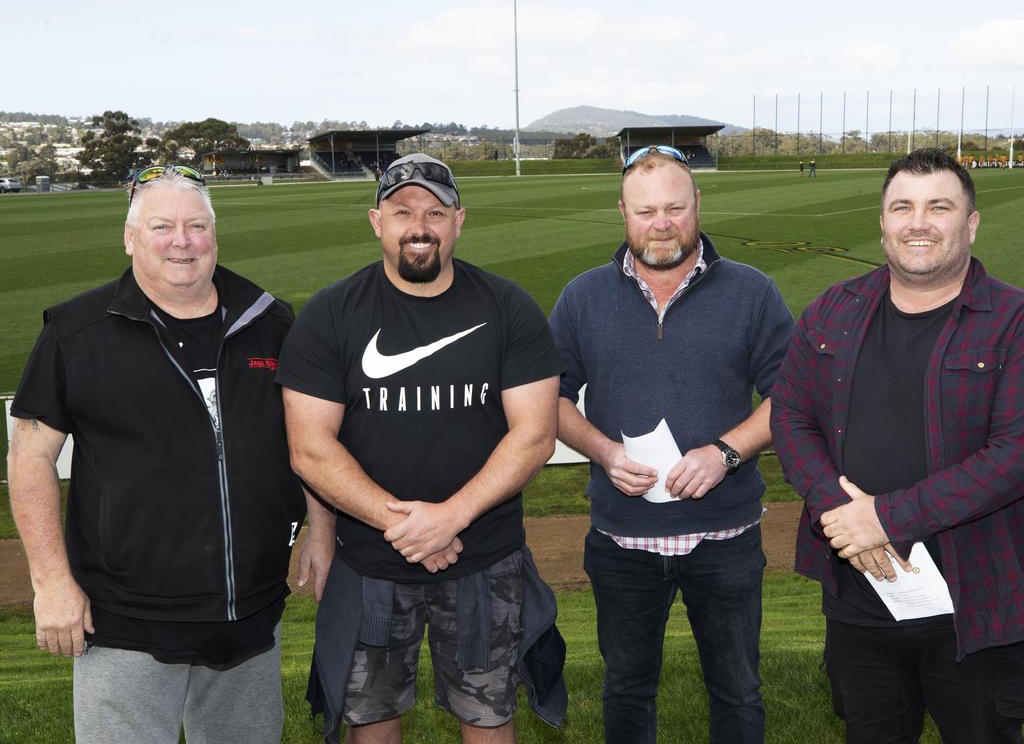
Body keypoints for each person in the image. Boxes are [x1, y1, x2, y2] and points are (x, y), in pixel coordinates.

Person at [7, 164, 305, 744]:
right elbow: (29, 456)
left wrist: (320, 529)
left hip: (249, 612)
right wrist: (51, 582)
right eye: (161, 226)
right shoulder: (77, 331)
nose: (181, 241)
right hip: (126, 620)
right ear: (130, 238)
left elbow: (307, 442)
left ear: (214, 234)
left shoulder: (270, 321)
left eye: (196, 225)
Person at [276, 153, 567, 744]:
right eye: (403, 211)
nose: (420, 226)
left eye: (435, 211)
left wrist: (451, 518)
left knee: (488, 717)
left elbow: (534, 435)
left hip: (485, 558)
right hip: (371, 563)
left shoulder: (509, 307)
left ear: (460, 220)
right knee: (371, 722)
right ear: (375, 221)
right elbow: (310, 449)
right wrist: (407, 527)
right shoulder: (330, 314)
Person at [770, 148, 1024, 743]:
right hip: (861, 596)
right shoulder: (834, 309)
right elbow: (791, 416)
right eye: (902, 207)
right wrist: (838, 512)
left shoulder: (1013, 320)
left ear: (971, 223)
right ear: (882, 222)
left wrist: (886, 518)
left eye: (939, 206)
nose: (918, 222)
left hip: (978, 602)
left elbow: (1015, 453)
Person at [548, 145, 794, 743]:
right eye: (646, 210)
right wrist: (604, 452)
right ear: (623, 214)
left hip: (726, 535)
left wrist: (726, 453)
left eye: (675, 208)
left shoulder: (752, 292)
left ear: (698, 206)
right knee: (627, 689)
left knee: (737, 691)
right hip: (621, 540)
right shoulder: (582, 298)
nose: (662, 224)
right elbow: (548, 401)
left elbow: (792, 395)